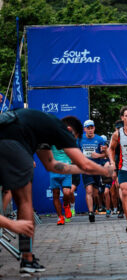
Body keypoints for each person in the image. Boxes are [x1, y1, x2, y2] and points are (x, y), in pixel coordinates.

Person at [0, 109, 113, 273]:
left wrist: (85, 171)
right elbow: (85, 164)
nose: (65, 146)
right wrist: (105, 171)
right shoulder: (60, 129)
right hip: (14, 147)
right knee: (24, 201)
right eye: (70, 142)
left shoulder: (40, 128)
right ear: (70, 131)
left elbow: (52, 165)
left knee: (6, 196)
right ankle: (27, 259)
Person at [79, 119, 106, 222]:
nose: (90, 130)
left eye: (92, 128)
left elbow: (105, 155)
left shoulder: (100, 140)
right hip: (86, 169)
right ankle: (90, 213)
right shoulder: (80, 139)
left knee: (95, 193)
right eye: (88, 128)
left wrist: (98, 155)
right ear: (84, 129)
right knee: (89, 190)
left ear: (94, 128)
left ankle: (93, 207)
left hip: (97, 168)